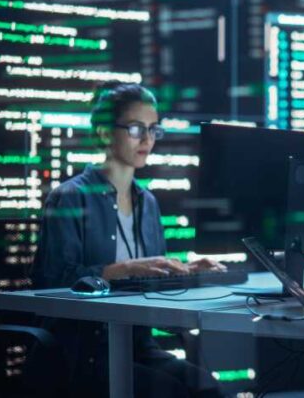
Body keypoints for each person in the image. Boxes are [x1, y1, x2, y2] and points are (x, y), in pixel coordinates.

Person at [31, 83, 225, 398]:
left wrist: (185, 271)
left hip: (137, 346)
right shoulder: (70, 197)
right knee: (169, 392)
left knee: (207, 388)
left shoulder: (148, 202)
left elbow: (152, 281)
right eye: (136, 128)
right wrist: (123, 269)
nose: (148, 139)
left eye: (153, 129)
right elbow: (53, 281)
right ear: (105, 133)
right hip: (85, 354)